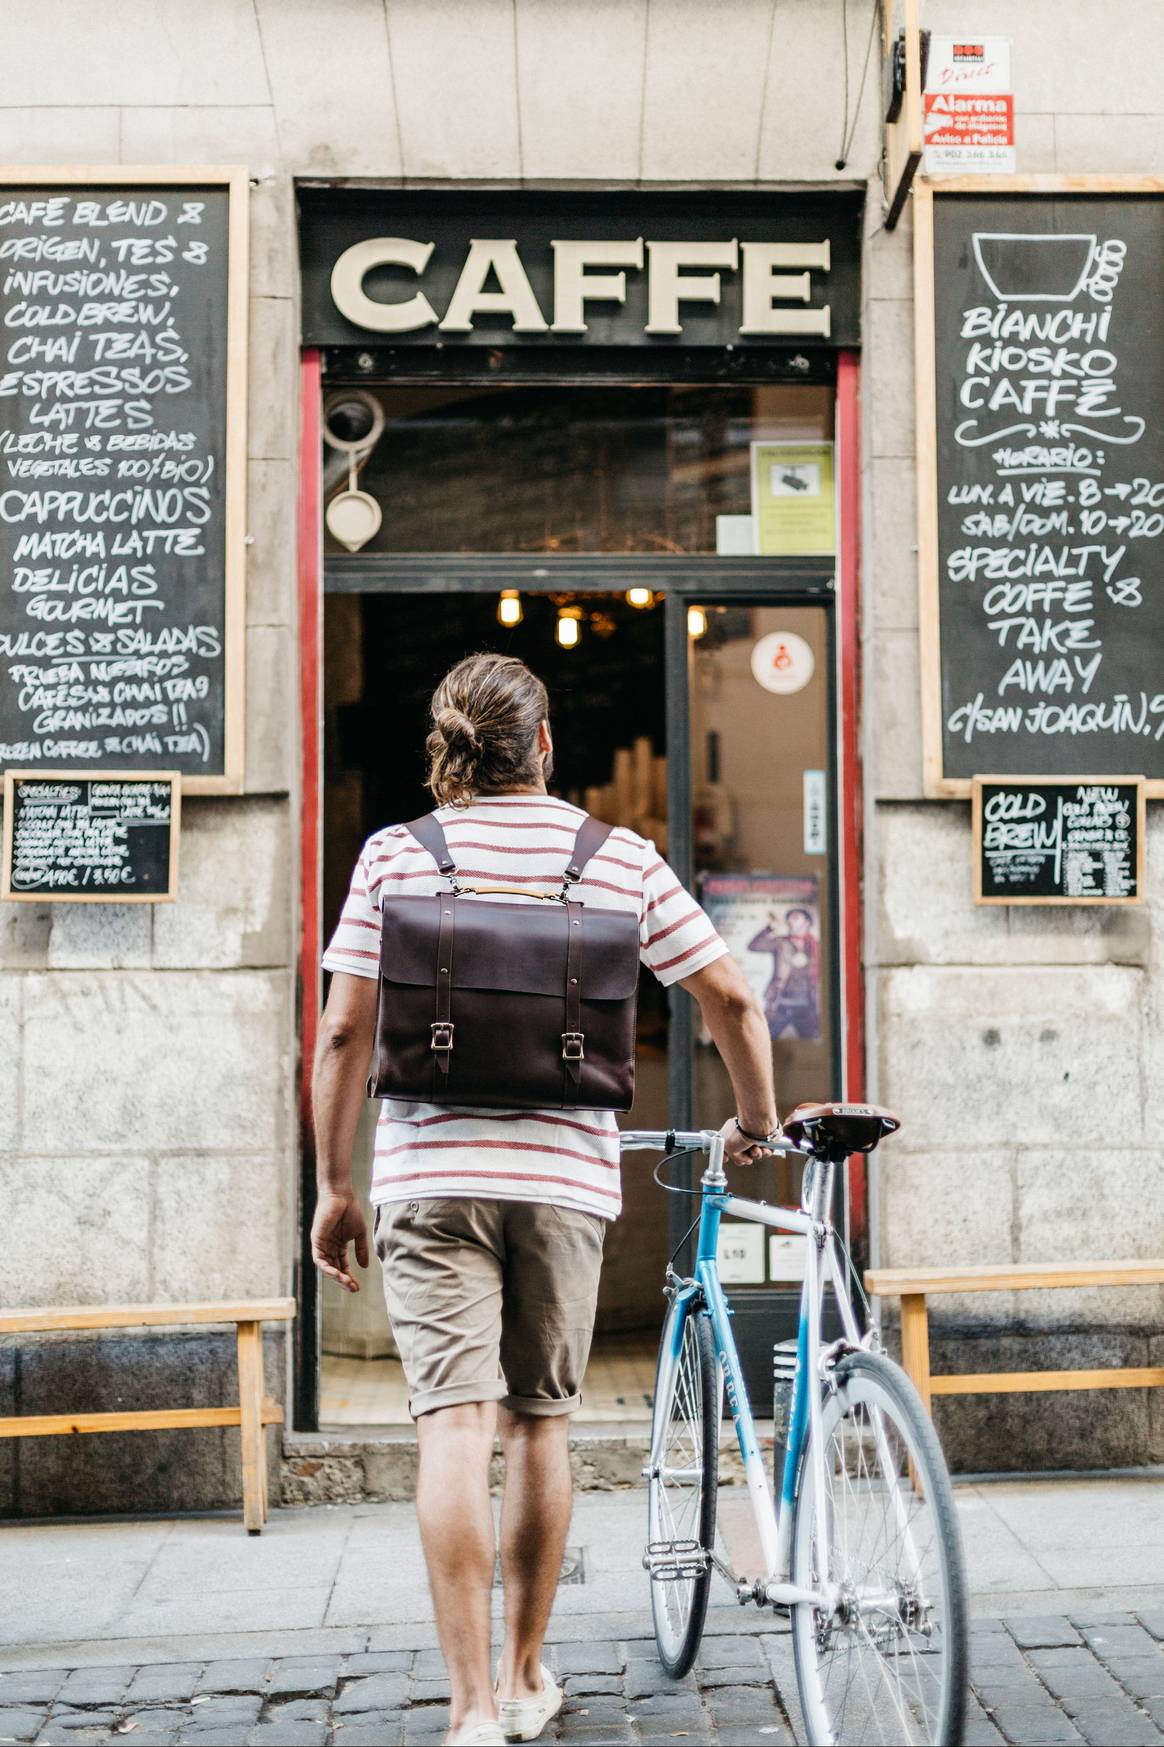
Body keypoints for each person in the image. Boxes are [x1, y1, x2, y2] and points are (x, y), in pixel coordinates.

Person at [311, 652, 781, 1747]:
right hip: (565, 1181)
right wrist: (755, 1123)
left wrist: (339, 1184)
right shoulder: (618, 858)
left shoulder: (394, 856)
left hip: (430, 1178)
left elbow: (341, 1031)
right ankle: (525, 1676)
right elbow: (731, 996)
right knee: (536, 1426)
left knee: (452, 1428)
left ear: (451, 748)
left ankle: (470, 1707)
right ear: (548, 747)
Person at [748, 905, 821, 1042]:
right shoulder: (781, 942)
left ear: (807, 922)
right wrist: (770, 928)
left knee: (816, 1045)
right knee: (762, 1042)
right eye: (789, 918)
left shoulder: (817, 946)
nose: (791, 921)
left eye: (795, 917)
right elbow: (754, 946)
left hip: (807, 1006)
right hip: (780, 1004)